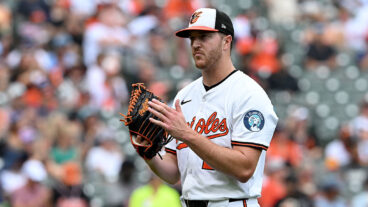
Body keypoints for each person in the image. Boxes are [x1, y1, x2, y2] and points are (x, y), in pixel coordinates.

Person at [137, 8, 278, 207]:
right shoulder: (184, 96)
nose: (195, 44)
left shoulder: (249, 94)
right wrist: (148, 151)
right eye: (192, 38)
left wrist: (187, 134)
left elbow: (245, 168)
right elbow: (173, 173)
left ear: (226, 42)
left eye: (204, 37)